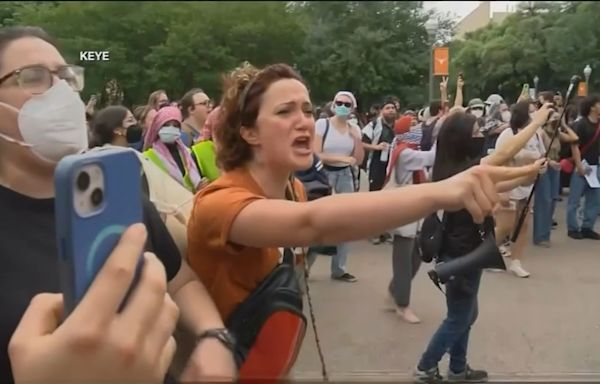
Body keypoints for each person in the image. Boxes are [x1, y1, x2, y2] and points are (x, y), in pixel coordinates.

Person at [185, 62, 546, 380]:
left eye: (308, 110)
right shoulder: (220, 202)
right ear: (248, 132)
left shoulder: (293, 187)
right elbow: (312, 224)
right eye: (284, 111)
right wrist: (441, 192)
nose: (304, 122)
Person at [0, 26, 235, 383]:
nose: (61, 93)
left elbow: (181, 280)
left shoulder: (119, 198)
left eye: (66, 78)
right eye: (33, 77)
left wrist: (213, 336)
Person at [414, 105, 551, 383]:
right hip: (463, 253)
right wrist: (537, 122)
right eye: (475, 132)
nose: (480, 136)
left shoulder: (450, 169)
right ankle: (426, 366)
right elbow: (504, 154)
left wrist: (529, 172)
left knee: (465, 313)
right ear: (461, 138)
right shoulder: (468, 169)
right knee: (460, 316)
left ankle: (457, 368)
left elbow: (498, 182)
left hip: (462, 251)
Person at [384, 115, 435, 324]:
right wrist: (442, 132)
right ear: (405, 131)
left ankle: (394, 291)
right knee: (404, 259)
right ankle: (402, 305)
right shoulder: (404, 153)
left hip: (414, 208)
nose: (418, 128)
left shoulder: (409, 150)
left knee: (415, 257)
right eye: (413, 125)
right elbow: (431, 157)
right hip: (403, 208)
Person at [312, 90, 365, 282]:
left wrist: (356, 137)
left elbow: (358, 160)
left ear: (352, 109)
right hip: (324, 174)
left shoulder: (354, 129)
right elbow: (315, 153)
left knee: (345, 222)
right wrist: (340, 157)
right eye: (339, 102)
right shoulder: (322, 124)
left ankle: (339, 269)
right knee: (318, 221)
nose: (342, 106)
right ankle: (305, 266)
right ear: (333, 104)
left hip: (345, 175)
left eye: (347, 104)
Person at [493, 101, 546, 278]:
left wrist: (542, 166)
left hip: (528, 186)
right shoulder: (507, 135)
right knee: (505, 226)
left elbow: (541, 155)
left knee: (522, 226)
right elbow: (498, 161)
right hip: (509, 185)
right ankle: (485, 255)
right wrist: (502, 192)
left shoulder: (536, 136)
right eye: (531, 112)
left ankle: (516, 261)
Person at [142, 106, 205, 192]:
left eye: (175, 126)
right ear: (158, 127)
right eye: (166, 125)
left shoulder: (187, 154)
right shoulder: (147, 157)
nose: (171, 128)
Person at [566, 94, 600, 240]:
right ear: (592, 106)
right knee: (575, 199)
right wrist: (579, 165)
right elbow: (575, 145)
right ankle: (573, 228)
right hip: (581, 165)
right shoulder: (581, 124)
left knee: (594, 199)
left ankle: (587, 227)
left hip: (595, 166)